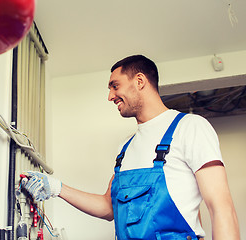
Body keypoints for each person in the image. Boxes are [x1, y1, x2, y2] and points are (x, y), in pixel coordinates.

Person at [21, 55, 240, 239]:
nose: (110, 96)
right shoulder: (125, 147)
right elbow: (108, 207)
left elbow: (221, 208)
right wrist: (57, 188)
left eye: (114, 86)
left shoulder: (190, 127)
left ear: (140, 81)